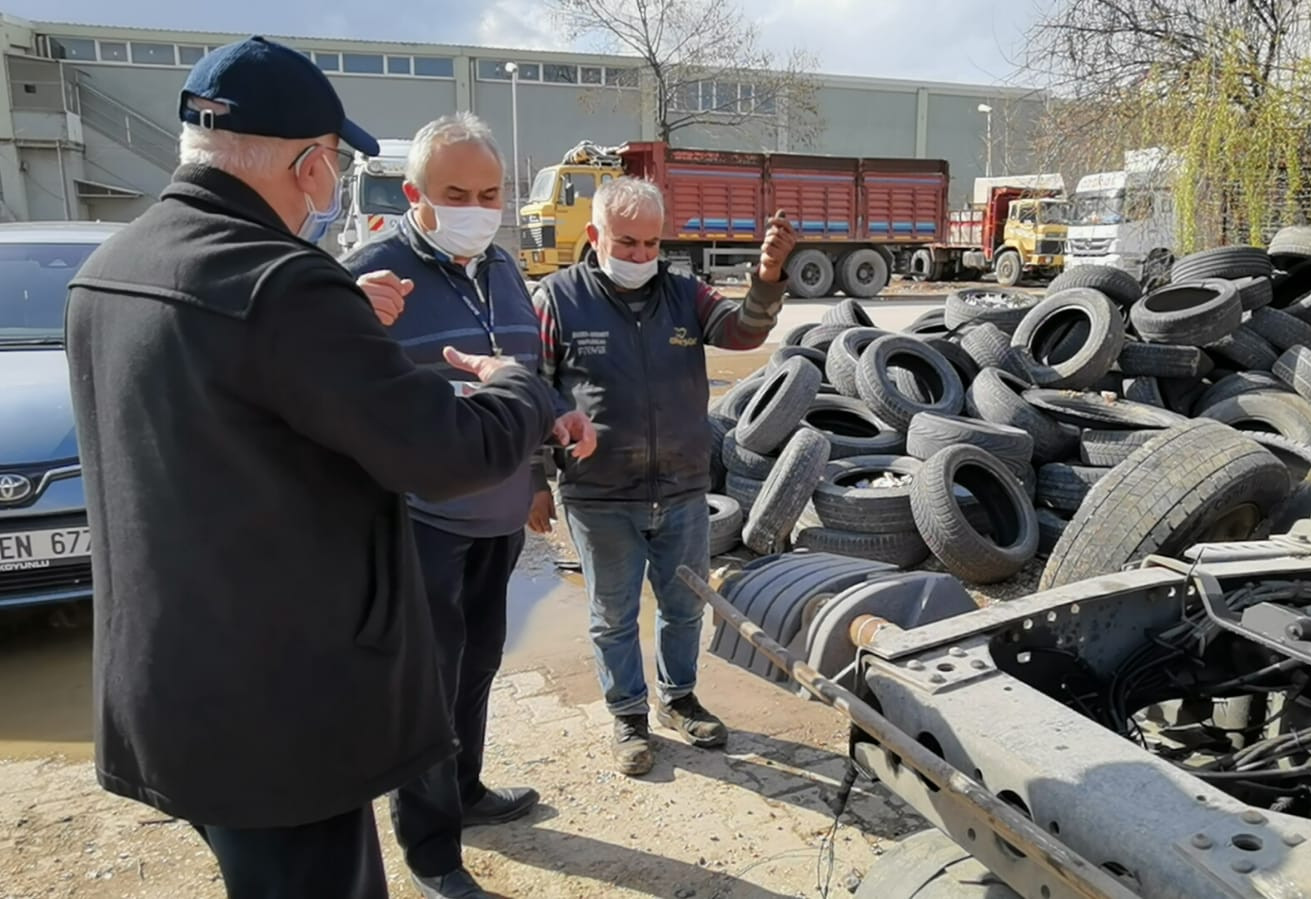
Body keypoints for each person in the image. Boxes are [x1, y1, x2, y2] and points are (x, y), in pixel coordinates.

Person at [62, 37, 570, 899]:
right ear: (308, 165)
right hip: (274, 706)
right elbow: (448, 453)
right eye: (333, 159)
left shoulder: (108, 269)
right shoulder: (281, 283)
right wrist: (518, 386)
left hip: (168, 685)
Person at [342, 112, 594, 899]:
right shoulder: (367, 276)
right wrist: (348, 320)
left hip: (497, 512)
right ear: (413, 194)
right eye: (456, 194)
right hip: (418, 520)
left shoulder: (504, 268)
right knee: (427, 682)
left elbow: (526, 374)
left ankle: (466, 789)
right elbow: (327, 391)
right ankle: (431, 852)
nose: (477, 209)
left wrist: (556, 417)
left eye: (490, 194)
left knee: (478, 661)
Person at [531, 176, 797, 775]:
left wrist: (767, 277)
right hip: (599, 493)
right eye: (627, 243)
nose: (640, 255)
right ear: (594, 234)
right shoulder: (558, 299)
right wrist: (532, 482)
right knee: (613, 616)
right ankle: (628, 715)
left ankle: (679, 699)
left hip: (681, 488)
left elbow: (742, 331)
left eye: (651, 243)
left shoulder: (683, 294)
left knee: (683, 607)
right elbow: (533, 389)